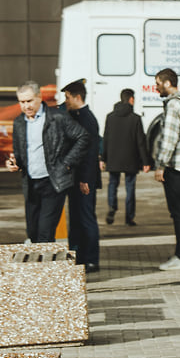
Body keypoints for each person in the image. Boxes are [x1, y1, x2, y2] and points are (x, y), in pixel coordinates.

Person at [6, 81, 89, 243]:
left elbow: (83, 137)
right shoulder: (19, 123)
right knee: (33, 231)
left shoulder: (57, 117)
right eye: (22, 102)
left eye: (29, 101)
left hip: (53, 182)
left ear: (39, 98)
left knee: (45, 231)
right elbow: (18, 153)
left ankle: (44, 267)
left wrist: (66, 164)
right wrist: (14, 163)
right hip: (31, 184)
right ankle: (41, 264)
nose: (26, 106)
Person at [152, 68, 180, 271]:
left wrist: (161, 165)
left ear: (167, 83)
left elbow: (169, 138)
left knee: (177, 213)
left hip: (175, 167)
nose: (156, 87)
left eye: (158, 83)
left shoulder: (172, 104)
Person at [61, 79, 102, 272]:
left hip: (85, 179)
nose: (65, 101)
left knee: (86, 218)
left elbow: (90, 153)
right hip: (78, 178)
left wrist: (85, 179)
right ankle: (79, 255)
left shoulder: (87, 119)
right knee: (77, 218)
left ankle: (92, 258)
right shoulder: (78, 115)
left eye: (68, 97)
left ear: (78, 97)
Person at [101, 88, 150, 227]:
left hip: (113, 158)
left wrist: (102, 158)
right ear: (131, 100)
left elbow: (106, 138)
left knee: (113, 184)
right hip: (130, 158)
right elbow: (141, 141)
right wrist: (145, 161)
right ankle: (129, 217)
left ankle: (112, 207)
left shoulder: (110, 117)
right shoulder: (135, 118)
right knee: (130, 187)